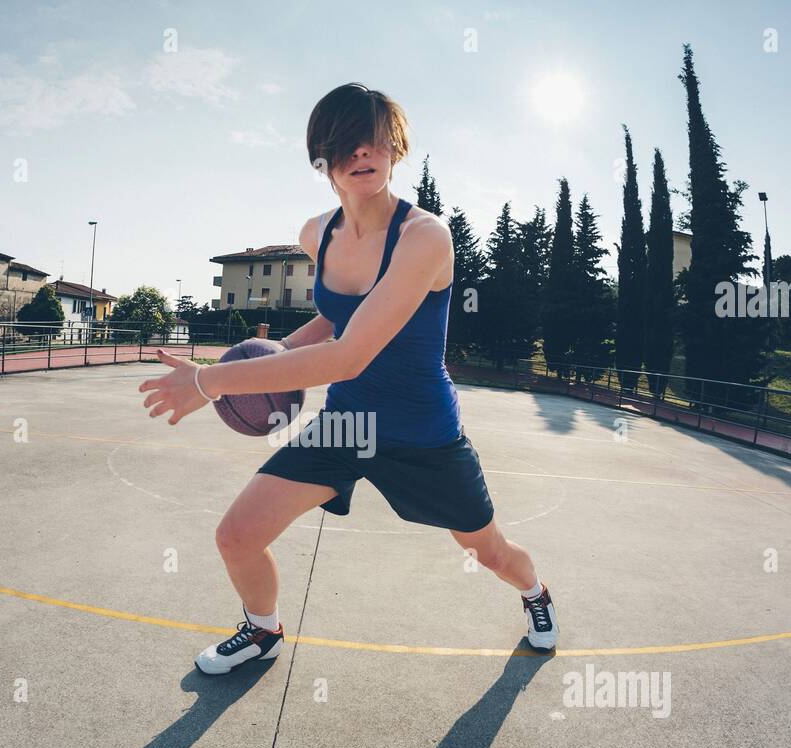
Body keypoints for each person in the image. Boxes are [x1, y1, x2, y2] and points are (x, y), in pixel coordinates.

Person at [140, 83, 559, 676]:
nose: (363, 153)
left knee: (487, 551)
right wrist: (276, 355)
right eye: (345, 144)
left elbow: (349, 354)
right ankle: (262, 630)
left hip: (423, 432)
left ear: (395, 149)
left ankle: (536, 593)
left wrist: (213, 382)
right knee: (237, 535)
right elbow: (340, 315)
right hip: (347, 423)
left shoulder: (424, 239)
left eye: (376, 141)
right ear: (323, 158)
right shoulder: (318, 234)